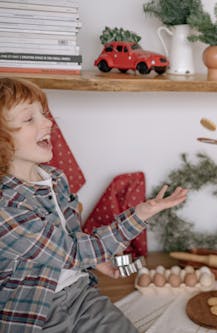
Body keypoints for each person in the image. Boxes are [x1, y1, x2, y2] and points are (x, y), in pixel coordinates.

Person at [0, 77, 188, 333]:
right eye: (29, 119)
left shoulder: (55, 179)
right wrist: (140, 215)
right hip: (33, 311)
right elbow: (72, 251)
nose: (48, 122)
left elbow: (71, 236)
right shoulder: (5, 206)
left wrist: (97, 262)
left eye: (44, 114)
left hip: (79, 294)